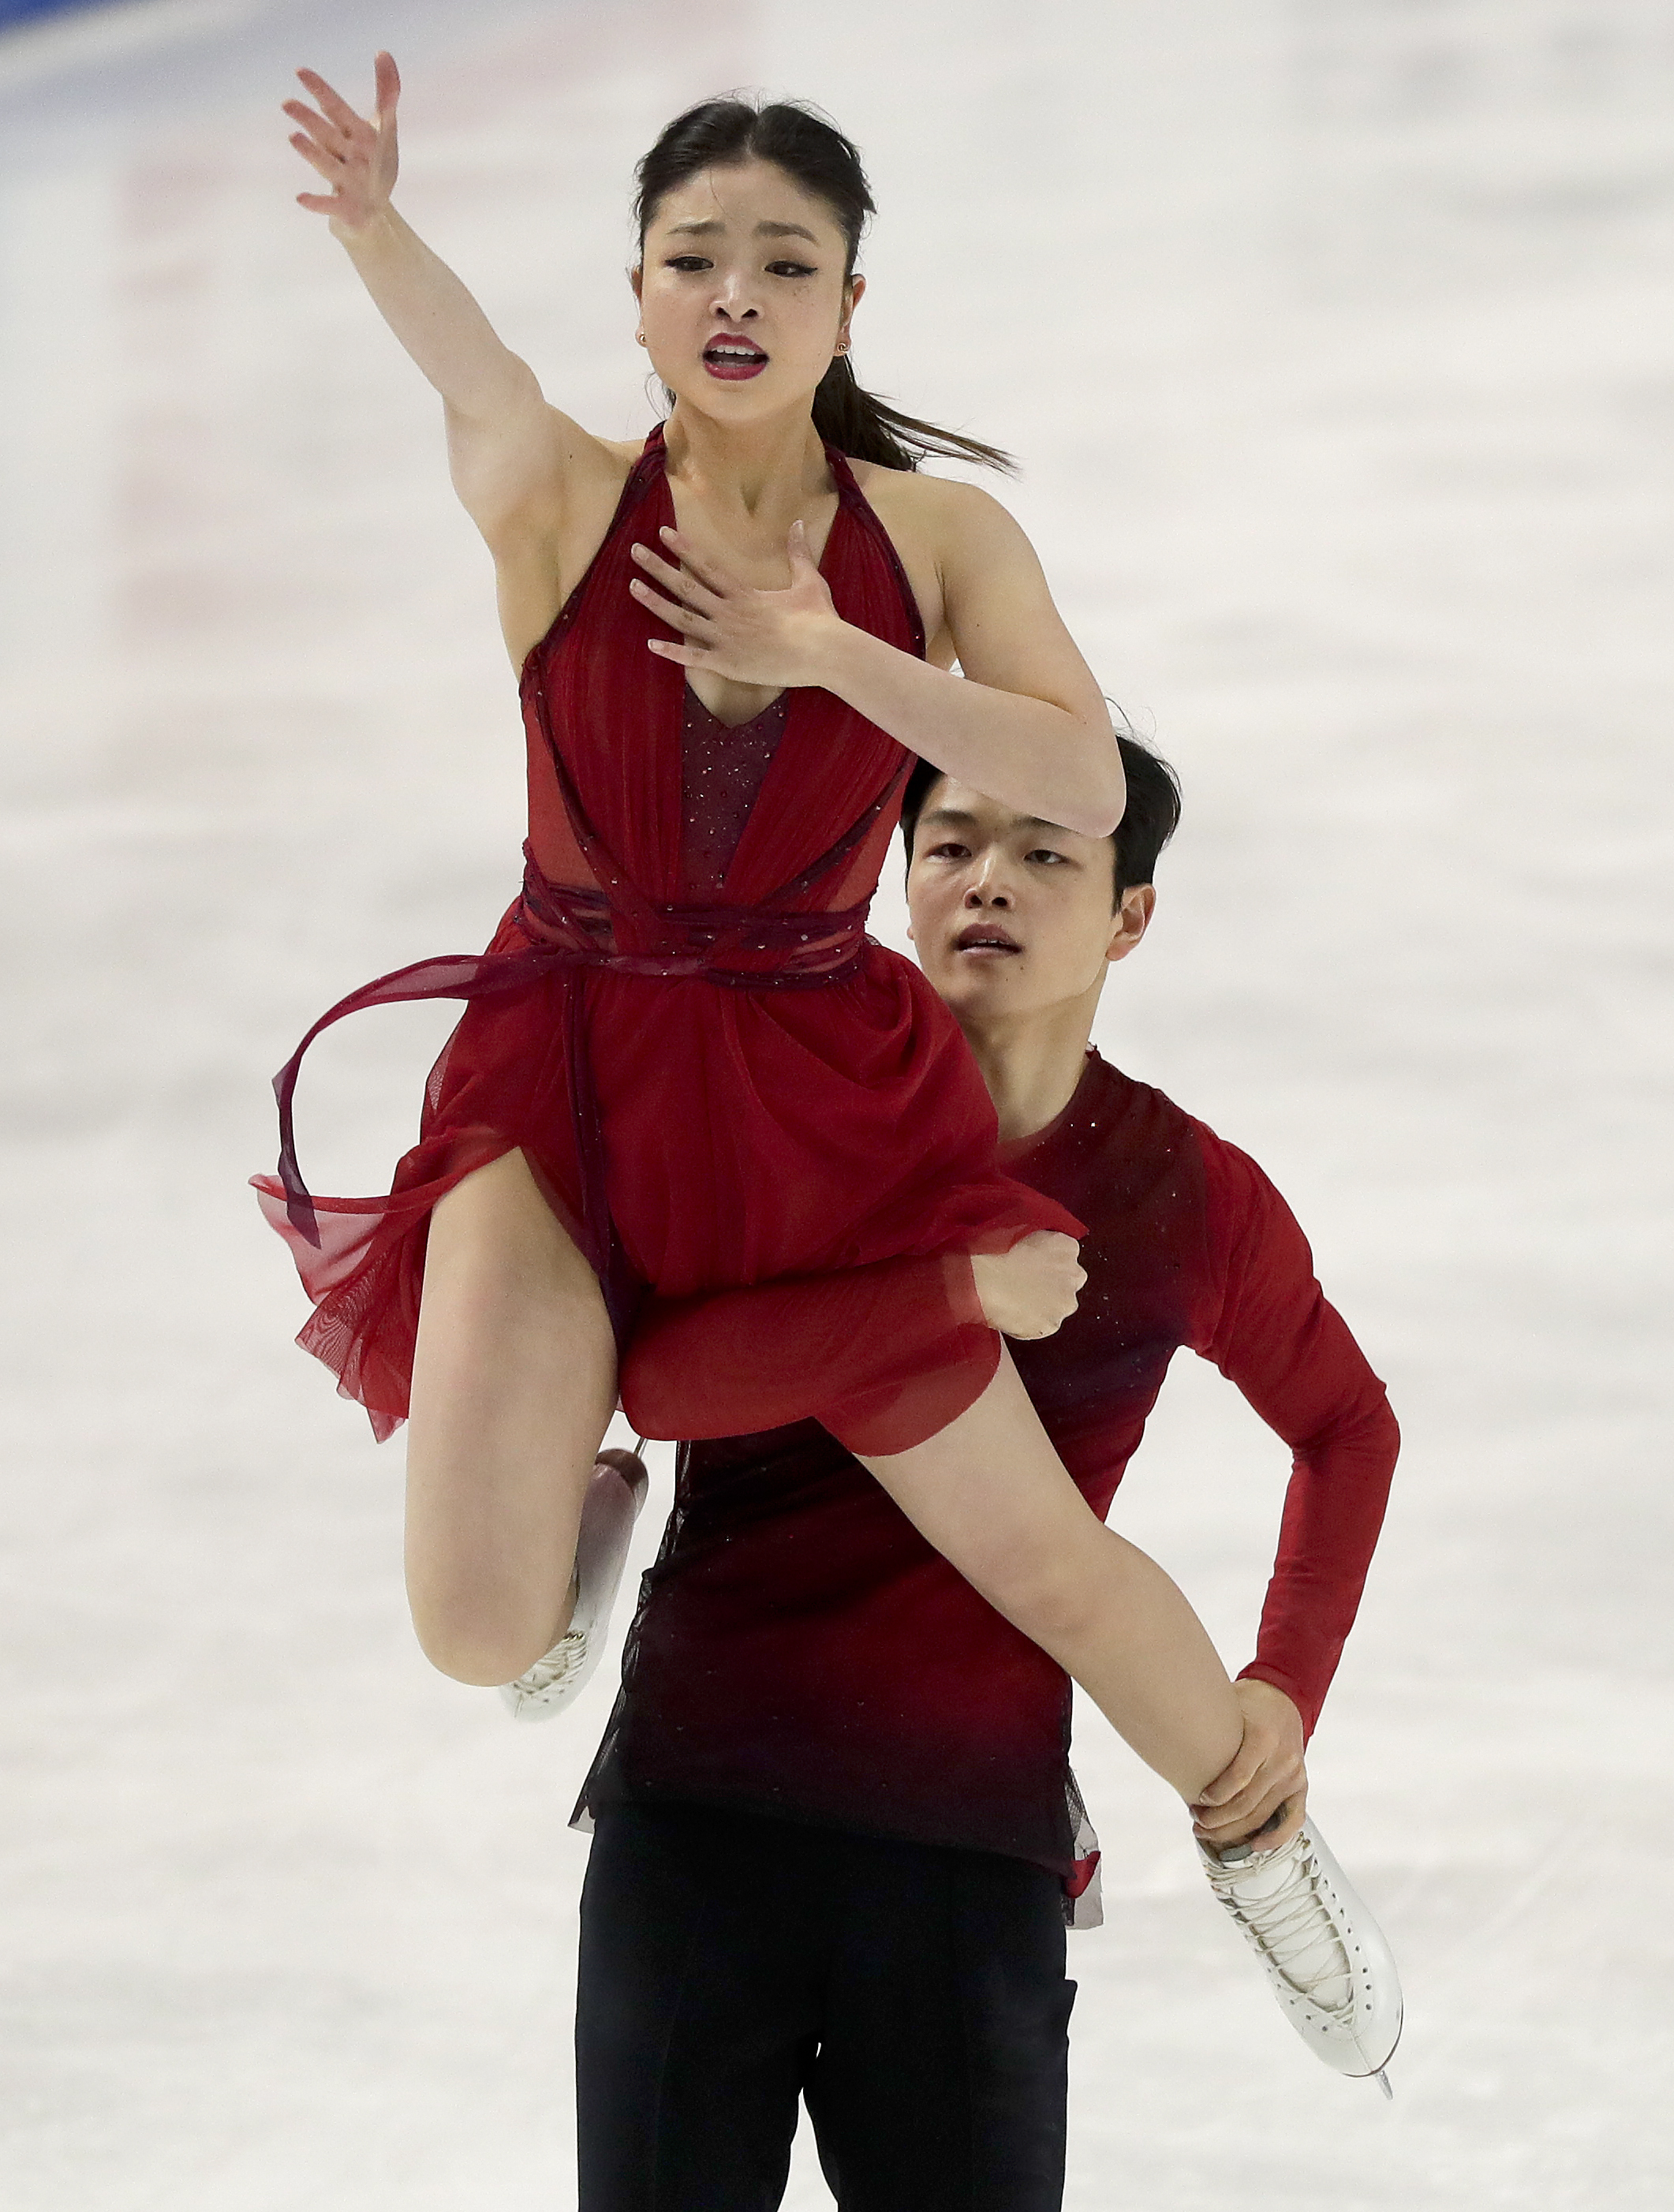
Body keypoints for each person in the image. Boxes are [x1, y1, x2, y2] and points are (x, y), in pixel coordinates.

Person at [256, 58, 1260, 1844]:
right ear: (635, 294)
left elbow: (1078, 777)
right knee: (478, 1627)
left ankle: (1261, 1829)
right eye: (691, 258)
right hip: (556, 1064)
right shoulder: (558, 498)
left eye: (786, 263)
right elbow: (466, 366)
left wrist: (835, 656)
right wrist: (374, 219)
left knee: (1034, 1553)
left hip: (809, 1087)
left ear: (849, 301)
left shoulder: (936, 541)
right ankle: (591, 1490)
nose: (736, 296)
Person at [529, 737, 1402, 2205]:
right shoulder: (783, 1112)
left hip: (965, 1849)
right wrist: (939, 1295)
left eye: (1045, 854)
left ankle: (1263, 1842)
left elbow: (1345, 1427)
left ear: (1129, 916)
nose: (986, 880)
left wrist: (1281, 1688)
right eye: (951, 846)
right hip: (697, 1813)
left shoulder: (1185, 1194)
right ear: (897, 879)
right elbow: (655, 1379)